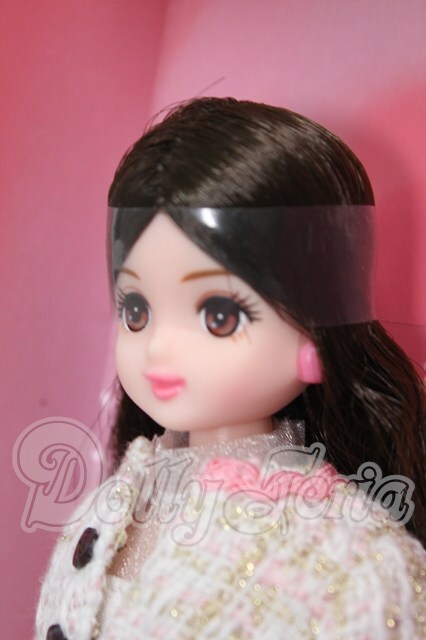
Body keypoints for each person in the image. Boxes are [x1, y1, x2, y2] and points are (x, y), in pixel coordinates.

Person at [36, 98, 426, 639]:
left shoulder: (350, 559)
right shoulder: (109, 508)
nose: (159, 347)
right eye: (136, 311)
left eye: (218, 315)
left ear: (318, 333)